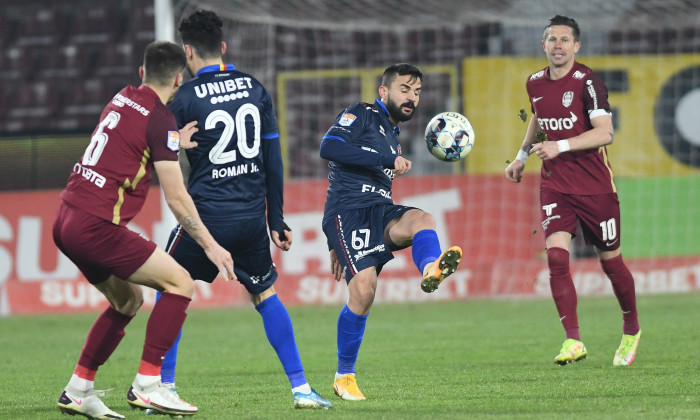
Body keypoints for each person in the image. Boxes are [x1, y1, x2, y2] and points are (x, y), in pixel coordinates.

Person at [153, 9, 332, 410]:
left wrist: (174, 144)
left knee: (169, 288)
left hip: (206, 219)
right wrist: (276, 219)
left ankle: (162, 386)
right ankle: (301, 389)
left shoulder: (183, 97)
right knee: (266, 294)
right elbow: (273, 158)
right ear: (223, 47)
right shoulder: (254, 88)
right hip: (252, 218)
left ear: (187, 53)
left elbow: (154, 148)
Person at [54, 40, 235, 419]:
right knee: (181, 283)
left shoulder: (122, 97)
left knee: (128, 301)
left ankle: (78, 389)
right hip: (96, 225)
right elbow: (177, 199)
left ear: (141, 73)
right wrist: (211, 246)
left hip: (66, 218)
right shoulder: (160, 119)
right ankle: (149, 385)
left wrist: (171, 144)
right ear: (177, 78)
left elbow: (127, 145)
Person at [320, 63, 463, 400]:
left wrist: (386, 155)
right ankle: (344, 377)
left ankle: (430, 267)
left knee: (423, 219)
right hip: (349, 212)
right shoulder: (364, 113)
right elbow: (329, 147)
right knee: (364, 291)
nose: (412, 97)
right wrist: (383, 157)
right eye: (404, 90)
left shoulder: (392, 131)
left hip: (380, 210)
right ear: (384, 92)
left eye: (416, 92)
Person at [504, 15, 641, 366]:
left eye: (565, 40)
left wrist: (560, 146)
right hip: (555, 185)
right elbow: (538, 118)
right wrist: (521, 156)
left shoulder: (588, 82)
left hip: (595, 187)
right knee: (555, 258)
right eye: (552, 39)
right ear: (544, 45)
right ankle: (573, 341)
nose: (558, 45)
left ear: (576, 46)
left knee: (611, 264)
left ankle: (631, 329)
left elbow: (605, 133)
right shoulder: (533, 82)